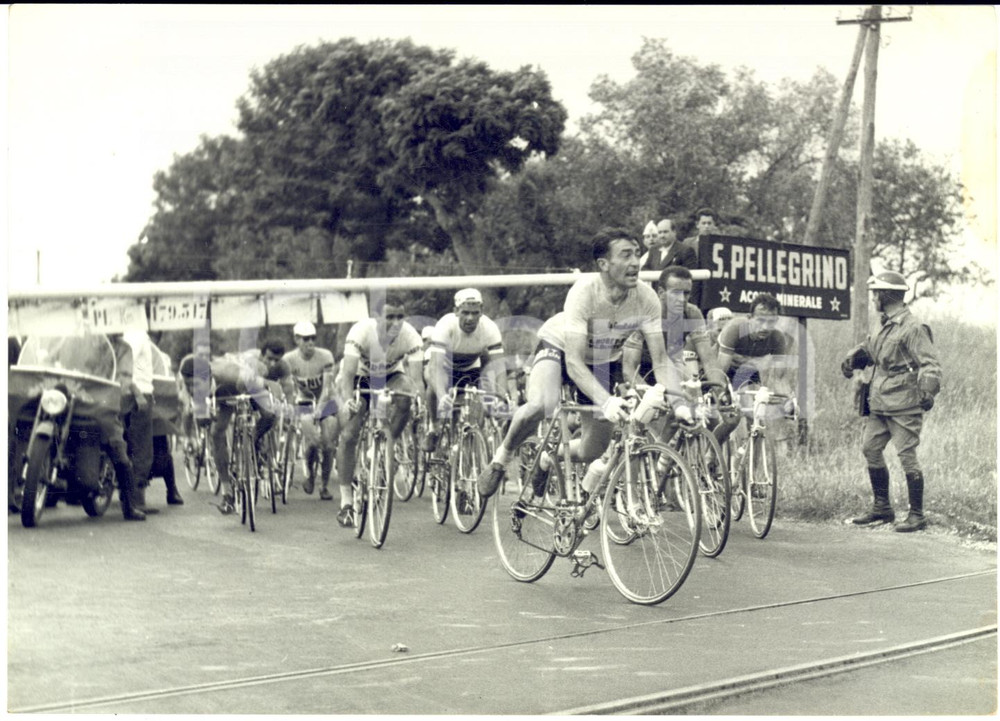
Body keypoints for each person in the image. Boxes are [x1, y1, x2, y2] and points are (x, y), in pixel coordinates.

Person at [478, 227, 683, 502]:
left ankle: (548, 460)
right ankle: (501, 460)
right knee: (542, 404)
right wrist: (606, 401)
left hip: (602, 360)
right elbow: (573, 362)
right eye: (626, 255)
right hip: (560, 348)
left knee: (591, 450)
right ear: (604, 264)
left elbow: (660, 359)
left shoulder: (646, 298)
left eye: (637, 254)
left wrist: (683, 402)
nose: (635, 262)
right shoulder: (585, 291)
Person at [841, 271, 941, 533]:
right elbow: (870, 348)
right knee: (870, 449)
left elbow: (930, 364)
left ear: (886, 295)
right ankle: (882, 508)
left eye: (876, 294)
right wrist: (852, 359)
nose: (873, 298)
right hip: (879, 400)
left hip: (905, 402)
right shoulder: (882, 323)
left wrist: (928, 390)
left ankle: (917, 515)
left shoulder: (913, 328)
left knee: (907, 456)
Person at [334, 295, 424, 527]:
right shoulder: (360, 332)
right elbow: (347, 375)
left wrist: (419, 401)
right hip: (360, 378)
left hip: (390, 375)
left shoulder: (411, 335)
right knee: (349, 434)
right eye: (389, 317)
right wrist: (347, 401)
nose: (395, 323)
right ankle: (346, 502)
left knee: (406, 397)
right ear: (376, 318)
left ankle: (386, 443)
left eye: (400, 317)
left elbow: (416, 380)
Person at [179, 338, 292, 514]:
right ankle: (228, 493)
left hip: (246, 385)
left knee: (269, 415)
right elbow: (187, 412)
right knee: (216, 433)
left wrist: (275, 396)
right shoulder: (188, 387)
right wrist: (189, 437)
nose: (194, 390)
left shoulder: (227, 373)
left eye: (196, 385)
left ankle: (254, 441)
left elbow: (270, 386)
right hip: (223, 397)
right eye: (190, 386)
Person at [622, 265, 728, 444]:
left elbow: (708, 359)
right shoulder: (644, 314)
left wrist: (721, 390)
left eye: (687, 293)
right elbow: (629, 368)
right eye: (676, 293)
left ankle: (696, 464)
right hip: (641, 369)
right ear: (661, 292)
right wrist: (647, 396)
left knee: (707, 416)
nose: (683, 299)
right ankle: (658, 457)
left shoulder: (692, 313)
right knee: (654, 426)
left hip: (669, 366)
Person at [425, 288, 506, 450]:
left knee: (480, 408)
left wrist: (501, 396)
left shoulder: (490, 328)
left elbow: (499, 368)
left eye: (475, 313)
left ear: (481, 312)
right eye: (465, 313)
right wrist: (442, 396)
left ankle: (470, 445)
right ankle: (434, 427)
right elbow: (435, 368)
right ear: (456, 311)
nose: (470, 318)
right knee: (432, 385)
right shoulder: (445, 325)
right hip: (445, 370)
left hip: (471, 369)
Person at [712, 293, 796, 447]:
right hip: (721, 368)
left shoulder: (777, 338)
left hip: (746, 371)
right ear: (749, 317)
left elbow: (779, 378)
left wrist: (788, 398)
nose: (765, 327)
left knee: (757, 418)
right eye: (760, 321)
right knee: (731, 417)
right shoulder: (735, 328)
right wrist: (722, 394)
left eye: (771, 322)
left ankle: (752, 469)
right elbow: (719, 372)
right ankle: (711, 451)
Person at [283, 321, 340, 500]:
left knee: (329, 444)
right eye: (306, 339)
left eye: (313, 338)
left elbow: (327, 388)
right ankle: (310, 475)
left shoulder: (325, 356)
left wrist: (321, 408)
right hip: (304, 401)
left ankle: (324, 486)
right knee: (313, 441)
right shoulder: (289, 360)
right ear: (297, 340)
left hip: (326, 400)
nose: (310, 343)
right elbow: (289, 388)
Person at [121, 331, 158, 515]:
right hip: (138, 394)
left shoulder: (132, 334)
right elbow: (129, 364)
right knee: (142, 448)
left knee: (132, 445)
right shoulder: (137, 334)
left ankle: (132, 497)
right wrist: (137, 392)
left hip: (131, 392)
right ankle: (136, 499)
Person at [149, 340, 184, 506]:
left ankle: (172, 489)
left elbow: (166, 382)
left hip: (151, 397)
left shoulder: (158, 355)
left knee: (160, 439)